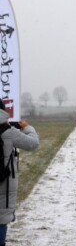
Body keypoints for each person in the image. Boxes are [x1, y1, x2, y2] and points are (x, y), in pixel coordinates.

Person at [0, 100, 39, 245]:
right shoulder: (9, 132)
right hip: (3, 182)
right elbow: (33, 143)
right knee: (1, 217)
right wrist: (28, 128)